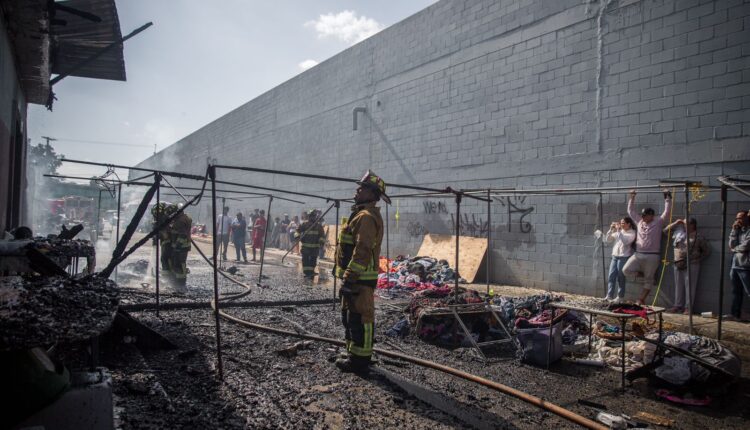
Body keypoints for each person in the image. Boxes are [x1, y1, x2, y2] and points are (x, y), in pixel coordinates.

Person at [335, 170, 390, 374]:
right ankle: (352, 353)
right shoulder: (359, 214)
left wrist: (350, 278)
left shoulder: (366, 217)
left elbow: (363, 249)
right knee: (350, 317)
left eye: (363, 188)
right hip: (354, 278)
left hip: (360, 279)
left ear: (373, 195)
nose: (358, 190)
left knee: (361, 319)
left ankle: (361, 360)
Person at [622, 190, 672, 305]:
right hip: (638, 254)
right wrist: (632, 197)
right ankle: (644, 274)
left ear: (651, 215)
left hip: (652, 256)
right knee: (626, 270)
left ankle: (640, 299)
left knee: (649, 281)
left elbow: (667, 211)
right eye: (642, 215)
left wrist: (667, 197)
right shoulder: (639, 221)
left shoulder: (658, 221)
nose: (643, 217)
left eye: (645, 215)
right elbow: (630, 211)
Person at [664, 218, 711, 314]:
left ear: (693, 225)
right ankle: (677, 305)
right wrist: (676, 223)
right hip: (678, 263)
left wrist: (697, 259)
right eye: (684, 224)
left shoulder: (698, 237)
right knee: (678, 285)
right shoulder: (679, 234)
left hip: (691, 264)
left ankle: (688, 308)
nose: (684, 226)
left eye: (686, 224)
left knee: (690, 286)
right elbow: (665, 231)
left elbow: (706, 251)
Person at [603, 217, 636, 303]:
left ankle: (620, 297)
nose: (621, 225)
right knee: (611, 276)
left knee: (621, 277)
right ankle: (609, 296)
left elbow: (625, 242)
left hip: (624, 257)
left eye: (623, 223)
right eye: (621, 223)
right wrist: (611, 229)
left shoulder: (632, 233)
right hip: (615, 256)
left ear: (629, 224)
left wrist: (618, 231)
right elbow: (608, 240)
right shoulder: (619, 232)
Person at [729, 210, 750, 320]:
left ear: (747, 217)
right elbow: (731, 244)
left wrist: (734, 249)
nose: (738, 220)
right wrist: (733, 230)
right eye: (737, 218)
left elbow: (746, 246)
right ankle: (735, 314)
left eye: (740, 218)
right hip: (735, 265)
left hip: (745, 266)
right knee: (736, 291)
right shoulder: (739, 230)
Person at [296, 209, 326, 278]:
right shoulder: (304, 224)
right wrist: (297, 236)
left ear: (315, 217)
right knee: (305, 260)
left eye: (313, 216)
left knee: (313, 260)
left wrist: (321, 241)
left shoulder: (318, 226)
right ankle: (307, 273)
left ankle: (311, 272)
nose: (312, 217)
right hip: (306, 246)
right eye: (311, 216)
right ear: (308, 217)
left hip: (315, 247)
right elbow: (297, 231)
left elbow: (322, 235)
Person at [170, 206, 192, 294]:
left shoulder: (180, 221)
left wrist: (177, 245)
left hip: (181, 245)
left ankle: (180, 283)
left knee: (179, 263)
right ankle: (180, 282)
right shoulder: (185, 218)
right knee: (181, 263)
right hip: (185, 245)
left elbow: (182, 234)